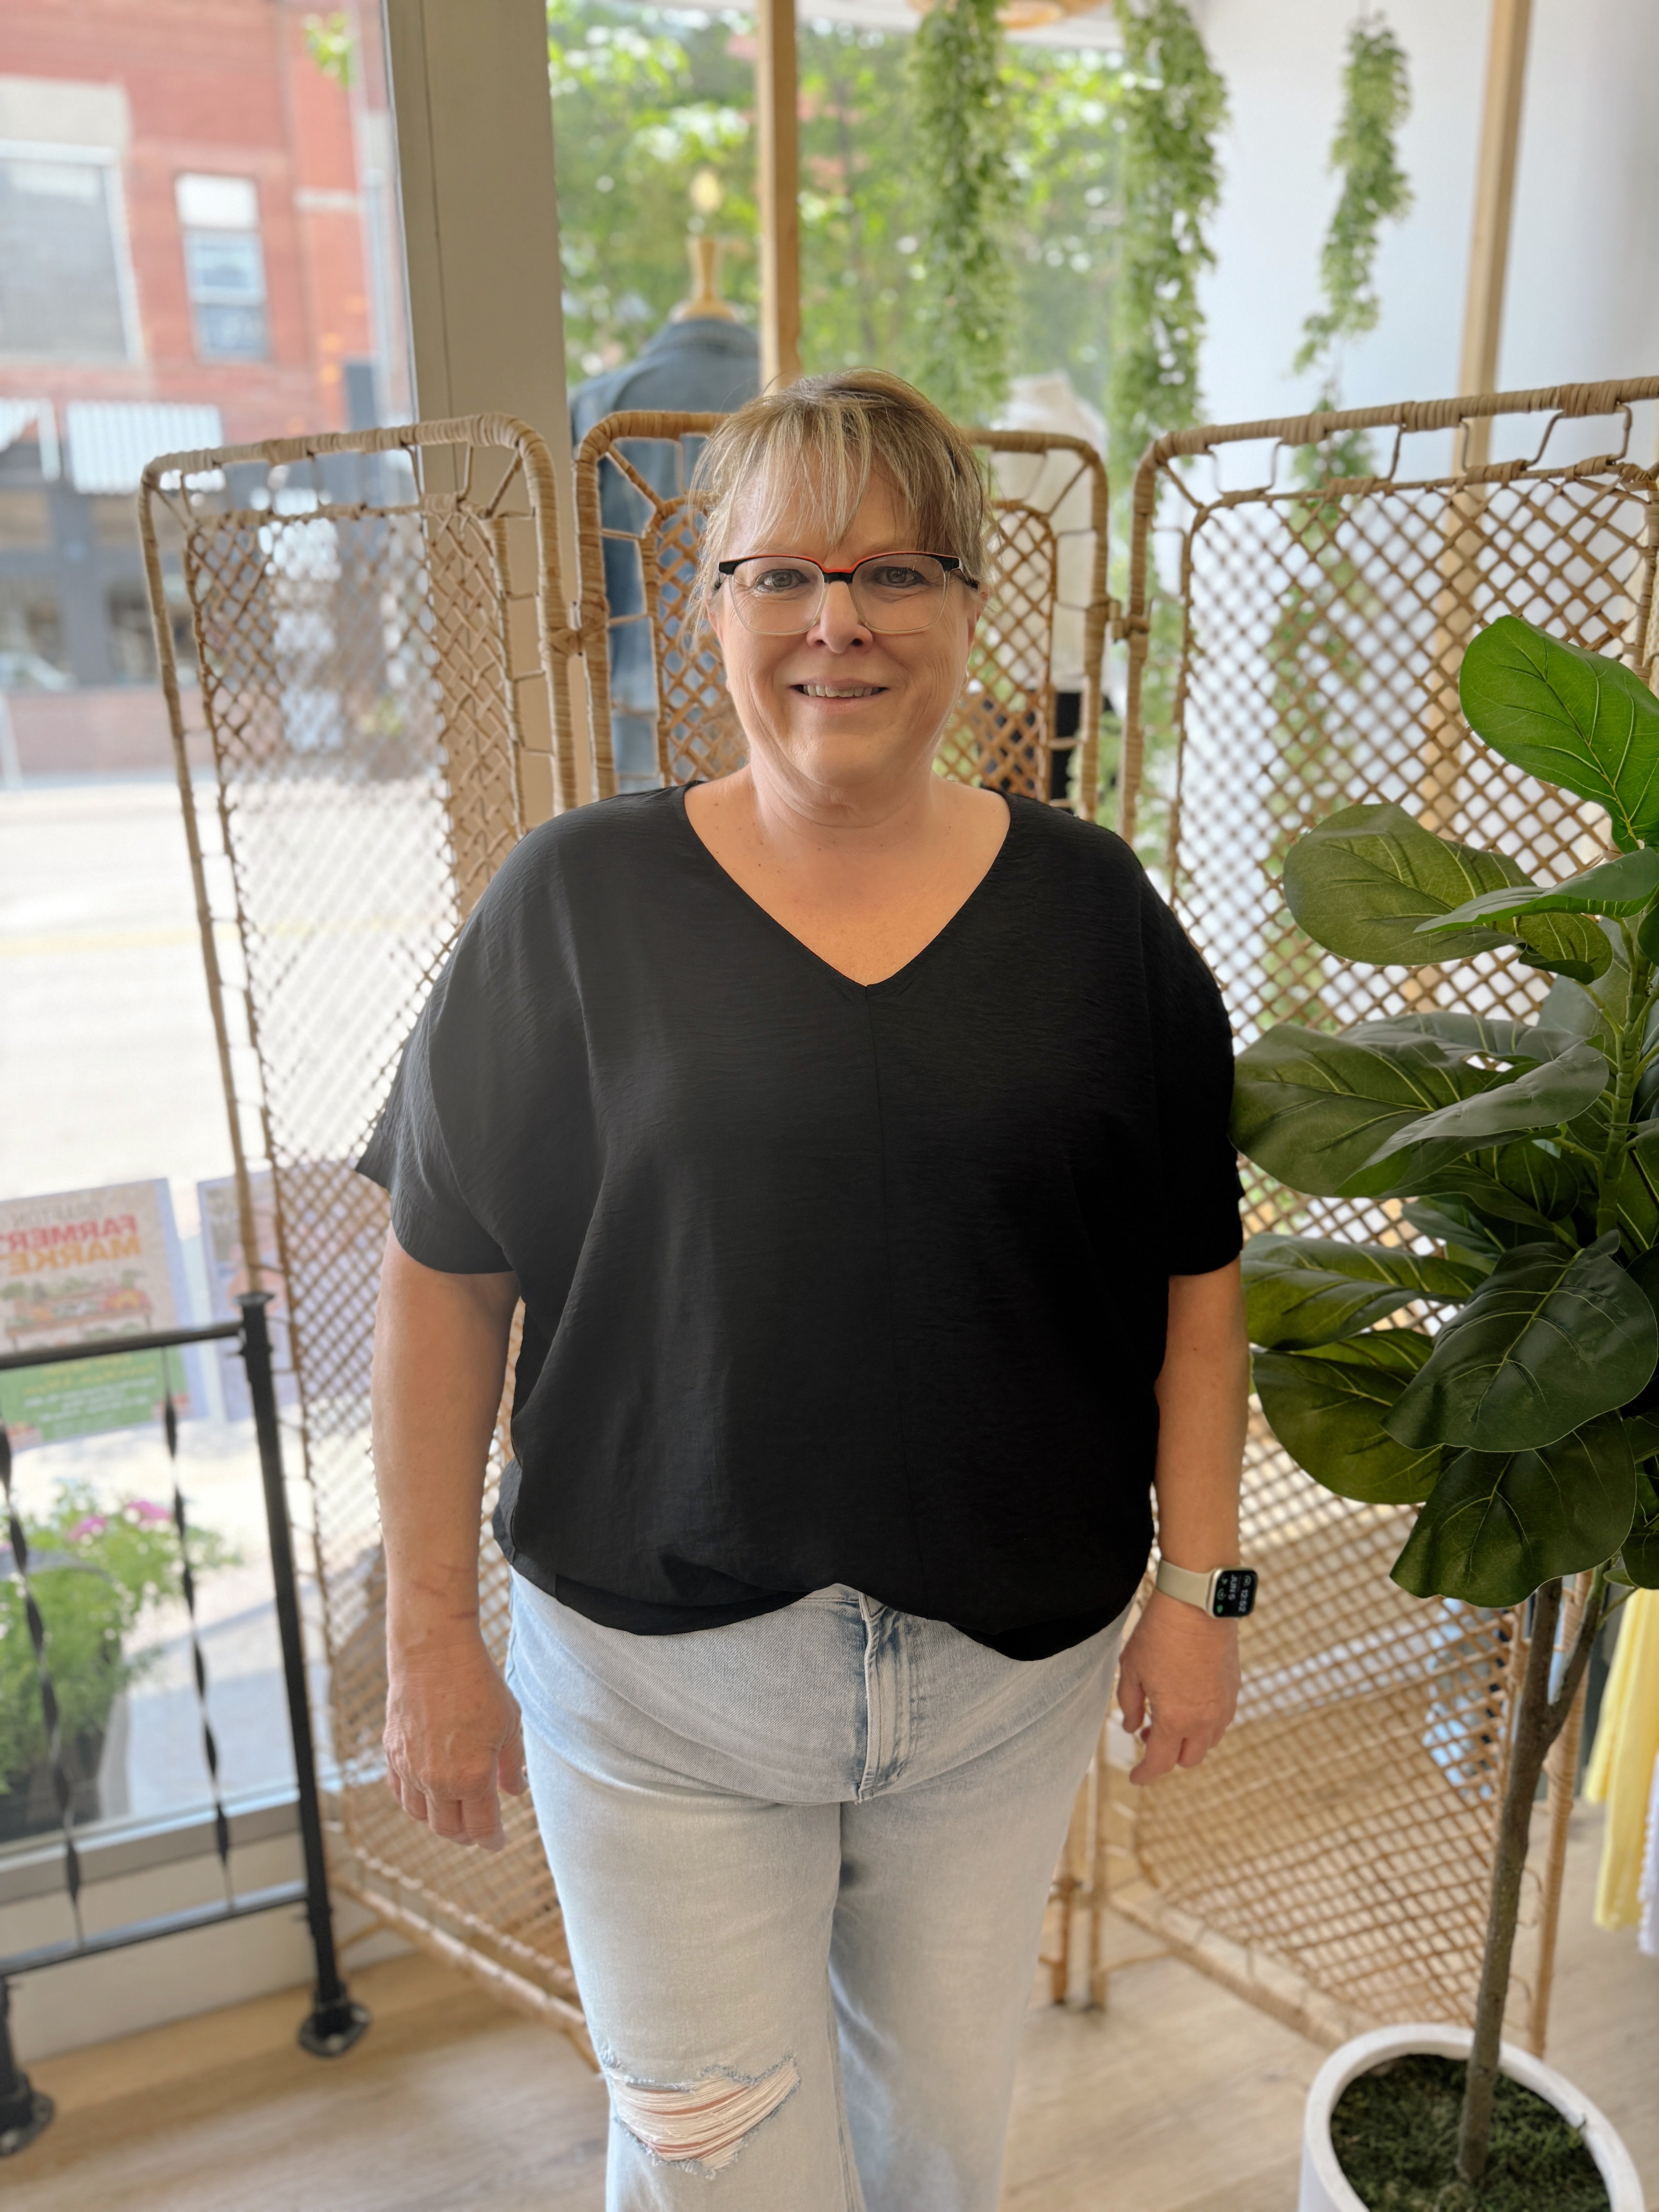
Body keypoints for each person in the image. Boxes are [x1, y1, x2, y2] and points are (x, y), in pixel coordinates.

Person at [361, 368, 1249, 2212]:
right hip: (658, 1687)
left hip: (1006, 1684)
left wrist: (1205, 1592)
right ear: (709, 608)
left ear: (970, 608)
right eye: (782, 574)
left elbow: (1196, 1282)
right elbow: (444, 1284)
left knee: (934, 2156)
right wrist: (432, 1634)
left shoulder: (1101, 920)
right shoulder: (574, 906)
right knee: (723, 2171)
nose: (839, 621)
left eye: (897, 571)